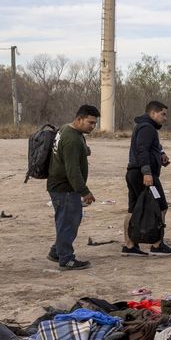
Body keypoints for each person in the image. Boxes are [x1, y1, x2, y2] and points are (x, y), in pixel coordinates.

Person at [47, 105, 99, 270]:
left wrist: (84, 151)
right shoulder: (72, 139)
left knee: (65, 221)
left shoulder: (67, 130)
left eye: (94, 123)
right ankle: (66, 259)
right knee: (69, 222)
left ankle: (57, 251)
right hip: (65, 188)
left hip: (59, 185)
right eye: (90, 122)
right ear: (79, 119)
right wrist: (85, 192)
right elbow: (73, 170)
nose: (92, 126)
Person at [123, 101, 171, 256]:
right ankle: (157, 244)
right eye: (163, 114)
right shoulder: (148, 128)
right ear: (153, 113)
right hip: (144, 175)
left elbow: (147, 147)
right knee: (160, 206)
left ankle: (130, 245)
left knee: (133, 209)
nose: (165, 118)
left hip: (133, 172)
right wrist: (147, 172)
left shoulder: (143, 126)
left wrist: (160, 155)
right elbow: (142, 149)